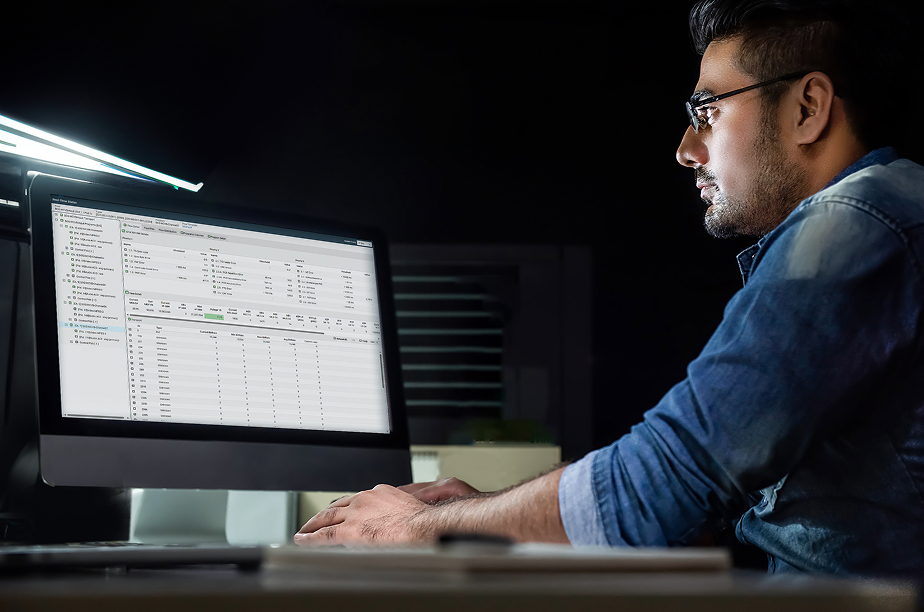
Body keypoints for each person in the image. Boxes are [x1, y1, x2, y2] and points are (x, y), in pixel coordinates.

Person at [295, 0, 924, 576]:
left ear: (808, 108)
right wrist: (481, 513)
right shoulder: (887, 214)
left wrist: (417, 529)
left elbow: (666, 481)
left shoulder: (856, 224)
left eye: (706, 112)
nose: (686, 150)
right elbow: (697, 499)